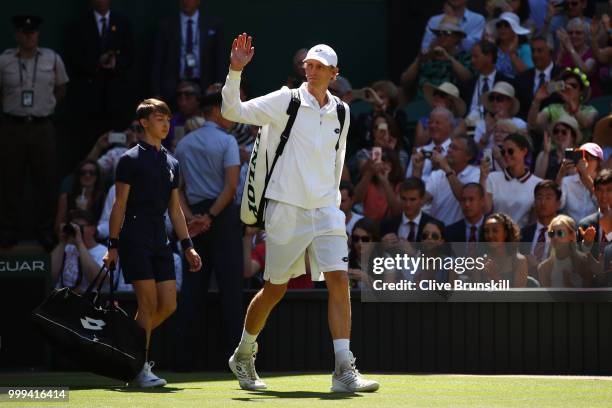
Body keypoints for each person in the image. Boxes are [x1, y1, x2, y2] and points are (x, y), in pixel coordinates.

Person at [221, 34, 379, 392]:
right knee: (274, 289)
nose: (310, 70)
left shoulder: (342, 110)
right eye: (308, 64)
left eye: (318, 66)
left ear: (333, 73)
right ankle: (243, 354)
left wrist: (332, 200)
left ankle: (343, 369)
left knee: (339, 280)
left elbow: (336, 160)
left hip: (325, 209)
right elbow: (233, 112)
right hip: (285, 208)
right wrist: (235, 71)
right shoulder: (284, 100)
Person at [103, 98, 202, 388]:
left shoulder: (172, 161)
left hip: (161, 237)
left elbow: (175, 209)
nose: (165, 123)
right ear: (144, 123)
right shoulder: (128, 159)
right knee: (147, 303)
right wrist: (113, 246)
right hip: (135, 236)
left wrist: (188, 245)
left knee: (169, 304)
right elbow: (118, 205)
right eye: (159, 119)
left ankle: (126, 349)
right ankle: (140, 366)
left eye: (168, 119)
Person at [174, 91, 244, 370]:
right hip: (222, 219)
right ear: (216, 111)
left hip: (193, 221)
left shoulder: (183, 144)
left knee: (192, 290)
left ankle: (184, 361)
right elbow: (230, 187)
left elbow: (176, 190)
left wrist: (193, 219)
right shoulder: (227, 142)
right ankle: (236, 361)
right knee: (231, 292)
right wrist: (210, 217)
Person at [0, 15, 69, 249]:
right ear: (17, 34)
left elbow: (61, 87)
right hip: (12, 126)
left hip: (42, 126)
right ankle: (9, 231)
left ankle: (45, 231)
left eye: (32, 32)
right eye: (24, 32)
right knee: (11, 180)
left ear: (38, 34)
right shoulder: (4, 61)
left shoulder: (52, 58)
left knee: (46, 181)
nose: (29, 36)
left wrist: (45, 106)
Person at [66, 0, 135, 151]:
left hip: (116, 101)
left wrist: (115, 62)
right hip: (89, 102)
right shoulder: (79, 24)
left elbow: (130, 55)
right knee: (89, 147)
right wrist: (97, 63)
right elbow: (74, 58)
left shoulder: (122, 22)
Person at [151, 0, 224, 103]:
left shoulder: (214, 24)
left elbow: (219, 60)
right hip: (172, 89)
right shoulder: (165, 25)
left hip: (205, 88)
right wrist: (156, 93)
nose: (186, 2)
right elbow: (157, 62)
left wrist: (219, 87)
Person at [482, 133, 543, 228]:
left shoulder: (538, 184)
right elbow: (486, 209)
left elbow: (533, 220)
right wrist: (482, 179)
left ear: (524, 151)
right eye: (503, 152)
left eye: (510, 151)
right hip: (494, 236)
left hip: (521, 238)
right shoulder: (492, 178)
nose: (506, 155)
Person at [402, 19, 473, 98]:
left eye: (447, 33)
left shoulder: (464, 56)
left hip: (447, 102)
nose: (441, 36)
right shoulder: (428, 57)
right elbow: (405, 81)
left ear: (457, 37)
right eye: (439, 34)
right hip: (422, 101)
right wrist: (418, 60)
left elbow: (467, 79)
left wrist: (449, 57)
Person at [424, 134, 481, 226]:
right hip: (437, 233)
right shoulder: (437, 174)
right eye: (449, 147)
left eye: (454, 148)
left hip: (460, 233)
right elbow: (422, 199)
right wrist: (416, 170)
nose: (449, 150)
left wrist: (447, 169)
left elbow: (463, 196)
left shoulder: (476, 174)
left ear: (468, 156)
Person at [530, 67, 598, 139]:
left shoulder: (590, 110)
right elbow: (533, 123)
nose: (568, 88)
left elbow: (585, 124)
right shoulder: (552, 108)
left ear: (581, 91)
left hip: (578, 149)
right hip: (554, 149)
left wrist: (571, 102)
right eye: (565, 85)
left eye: (573, 85)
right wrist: (537, 101)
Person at [51, 209, 108, 292]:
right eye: (73, 226)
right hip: (61, 300)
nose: (75, 230)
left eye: (79, 227)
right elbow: (49, 275)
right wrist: (62, 242)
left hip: (88, 302)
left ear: (93, 229)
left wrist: (80, 243)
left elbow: (98, 280)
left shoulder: (104, 252)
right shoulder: (66, 249)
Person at [538, 214, 596, 287]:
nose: (555, 237)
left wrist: (569, 286)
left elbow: (590, 295)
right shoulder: (543, 268)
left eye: (560, 233)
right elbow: (546, 298)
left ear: (572, 236)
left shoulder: (584, 262)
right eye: (551, 233)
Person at [461, 40, 512, 122]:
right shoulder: (466, 85)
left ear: (489, 57)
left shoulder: (507, 83)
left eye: (476, 56)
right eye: (472, 57)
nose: (472, 60)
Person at [515, 35, 563, 119]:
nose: (535, 55)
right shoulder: (522, 78)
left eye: (539, 51)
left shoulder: (562, 75)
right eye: (533, 51)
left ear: (550, 53)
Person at [380, 178, 442, 243]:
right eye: (404, 199)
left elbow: (438, 252)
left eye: (412, 199)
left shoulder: (435, 227)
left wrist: (412, 253)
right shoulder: (386, 225)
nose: (407, 204)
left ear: (422, 199)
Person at [520, 180, 562, 275]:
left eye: (548, 198)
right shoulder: (524, 233)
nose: (543, 202)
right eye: (539, 197)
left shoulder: (565, 233)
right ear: (534, 202)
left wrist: (537, 266)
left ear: (558, 204)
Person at [54, 159, 106, 233]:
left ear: (97, 176)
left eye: (92, 173)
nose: (87, 175)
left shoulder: (103, 198)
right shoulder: (66, 197)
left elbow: (105, 224)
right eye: (83, 173)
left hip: (93, 239)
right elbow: (57, 227)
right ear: (78, 175)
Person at [353, 148, 404, 222]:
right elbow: (355, 199)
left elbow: (396, 212)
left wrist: (384, 181)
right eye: (382, 161)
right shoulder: (369, 182)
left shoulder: (399, 186)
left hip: (387, 228)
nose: (384, 165)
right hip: (368, 226)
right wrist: (370, 172)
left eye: (389, 163)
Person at [556, 17, 602, 97]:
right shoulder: (564, 53)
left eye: (578, 33)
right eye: (570, 33)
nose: (574, 35)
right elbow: (555, 77)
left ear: (586, 36)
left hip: (591, 100)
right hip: (567, 99)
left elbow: (585, 72)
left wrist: (570, 48)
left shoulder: (592, 53)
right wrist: (561, 52)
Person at [406, 107, 454, 184]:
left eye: (437, 123)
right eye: (430, 122)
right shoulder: (419, 152)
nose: (432, 126)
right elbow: (408, 181)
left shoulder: (456, 152)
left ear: (450, 127)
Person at [480, 212, 529, 287]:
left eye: (495, 231)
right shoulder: (480, 262)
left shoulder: (519, 261)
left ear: (506, 233)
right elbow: (475, 296)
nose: (490, 235)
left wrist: (496, 278)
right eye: (486, 231)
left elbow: (517, 297)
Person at [559, 142, 602, 223]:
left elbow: (603, 205)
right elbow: (558, 206)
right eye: (582, 156)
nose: (585, 161)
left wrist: (586, 177)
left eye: (588, 157)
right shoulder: (566, 181)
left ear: (598, 162)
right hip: (571, 231)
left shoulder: (606, 183)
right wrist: (560, 175)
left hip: (595, 231)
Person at [420, 0, 486, 53]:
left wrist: (451, 20)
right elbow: (424, 49)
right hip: (436, 65)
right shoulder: (434, 20)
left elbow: (471, 47)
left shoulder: (478, 19)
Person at [415, 82, 467, 147]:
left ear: (450, 103)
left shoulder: (460, 122)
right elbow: (419, 143)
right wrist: (432, 122)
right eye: (434, 100)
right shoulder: (423, 121)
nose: (434, 104)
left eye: (441, 96)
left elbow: (453, 142)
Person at [487, 12, 533, 79]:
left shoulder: (524, 48)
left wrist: (512, 54)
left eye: (506, 25)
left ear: (515, 29)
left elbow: (528, 74)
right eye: (499, 25)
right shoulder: (493, 49)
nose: (502, 28)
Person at [534, 115, 581, 180]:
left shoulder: (579, 156)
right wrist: (546, 154)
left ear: (572, 137)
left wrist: (567, 153)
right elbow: (538, 179)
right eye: (556, 131)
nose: (559, 134)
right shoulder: (544, 153)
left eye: (564, 132)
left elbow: (574, 180)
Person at [347, 217, 379, 289]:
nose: (360, 243)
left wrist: (365, 278)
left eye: (365, 239)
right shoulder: (345, 258)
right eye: (356, 238)